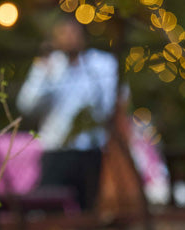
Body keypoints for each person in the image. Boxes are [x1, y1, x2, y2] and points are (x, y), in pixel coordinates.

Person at [16, 18, 119, 211]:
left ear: (83, 36)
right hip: (56, 150)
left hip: (91, 149)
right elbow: (26, 105)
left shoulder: (102, 64)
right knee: (50, 209)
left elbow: (113, 106)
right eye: (63, 34)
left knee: (90, 208)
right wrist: (44, 74)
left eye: (73, 33)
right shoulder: (48, 65)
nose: (69, 38)